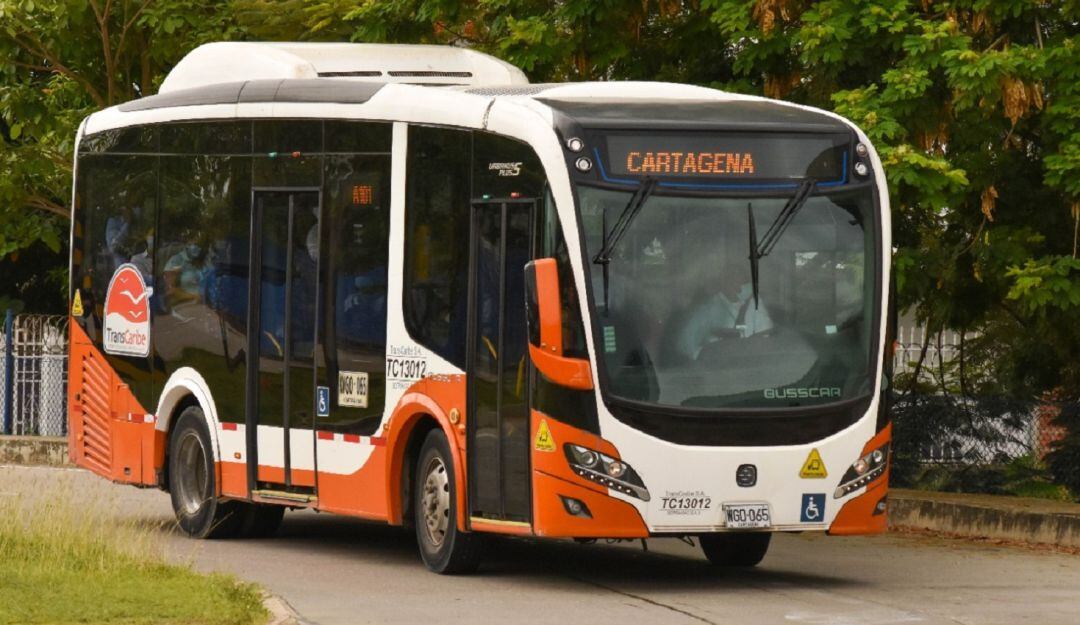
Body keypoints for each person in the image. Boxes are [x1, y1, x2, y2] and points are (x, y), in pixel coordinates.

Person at [671, 235, 773, 362]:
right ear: (723, 282)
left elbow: (766, 335)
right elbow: (687, 347)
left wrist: (752, 301)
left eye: (743, 279)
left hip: (752, 367)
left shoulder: (755, 304)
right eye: (733, 278)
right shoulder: (706, 310)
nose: (740, 284)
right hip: (718, 372)